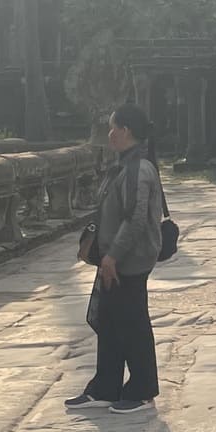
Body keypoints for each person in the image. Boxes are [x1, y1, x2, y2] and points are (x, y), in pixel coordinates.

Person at [64, 103, 165, 415]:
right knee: (108, 322)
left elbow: (135, 219)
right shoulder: (124, 165)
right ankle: (105, 386)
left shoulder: (139, 168)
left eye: (113, 128)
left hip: (129, 260)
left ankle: (142, 388)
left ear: (127, 131)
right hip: (113, 257)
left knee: (132, 323)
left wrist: (113, 257)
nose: (110, 134)